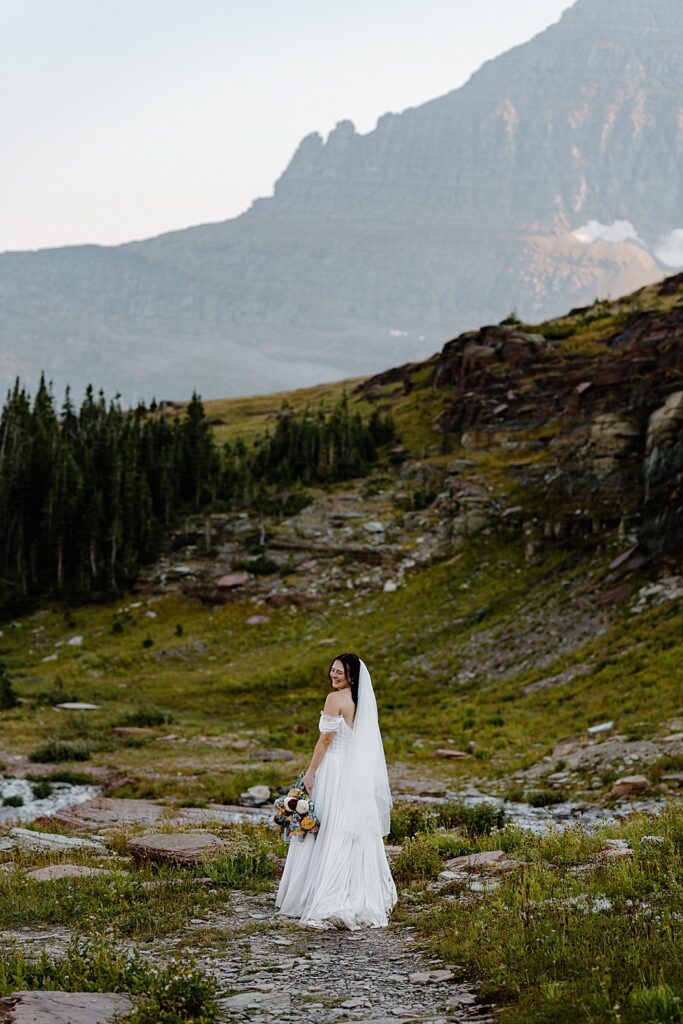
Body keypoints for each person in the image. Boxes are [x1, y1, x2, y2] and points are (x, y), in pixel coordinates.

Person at [275, 653, 397, 930]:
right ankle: (361, 892)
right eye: (332, 670)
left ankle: (322, 893)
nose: (334, 675)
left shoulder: (334, 700)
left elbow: (326, 739)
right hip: (355, 775)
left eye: (339, 672)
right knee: (349, 830)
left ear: (351, 675)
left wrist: (310, 771)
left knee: (328, 827)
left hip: (334, 770)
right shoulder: (362, 701)